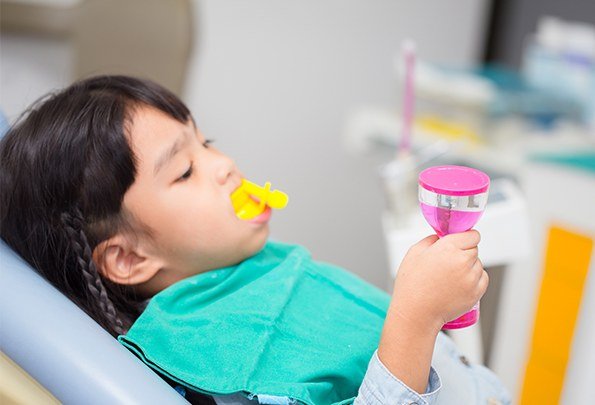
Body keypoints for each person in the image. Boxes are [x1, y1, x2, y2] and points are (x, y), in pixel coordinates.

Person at [0, 75, 511, 405]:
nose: (224, 166)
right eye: (184, 171)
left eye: (208, 143)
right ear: (130, 257)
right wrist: (415, 319)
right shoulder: (227, 359)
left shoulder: (251, 273)